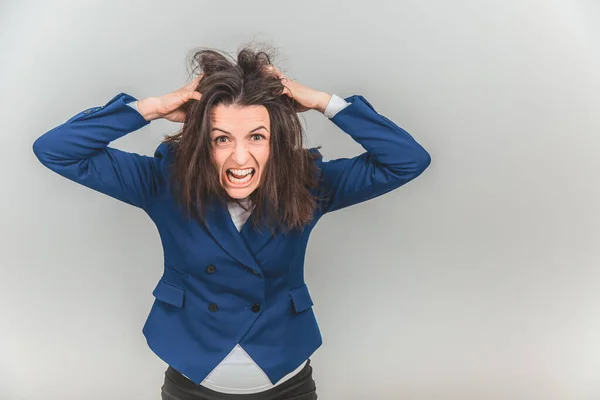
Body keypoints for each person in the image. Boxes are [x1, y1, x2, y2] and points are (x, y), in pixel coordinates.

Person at [32, 46, 431, 400]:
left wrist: (324, 102)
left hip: (287, 382)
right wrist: (150, 108)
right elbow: (56, 150)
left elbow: (407, 159)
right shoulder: (164, 183)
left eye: (257, 137)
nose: (240, 158)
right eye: (221, 139)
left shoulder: (308, 184)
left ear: (276, 140)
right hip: (191, 383)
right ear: (201, 142)